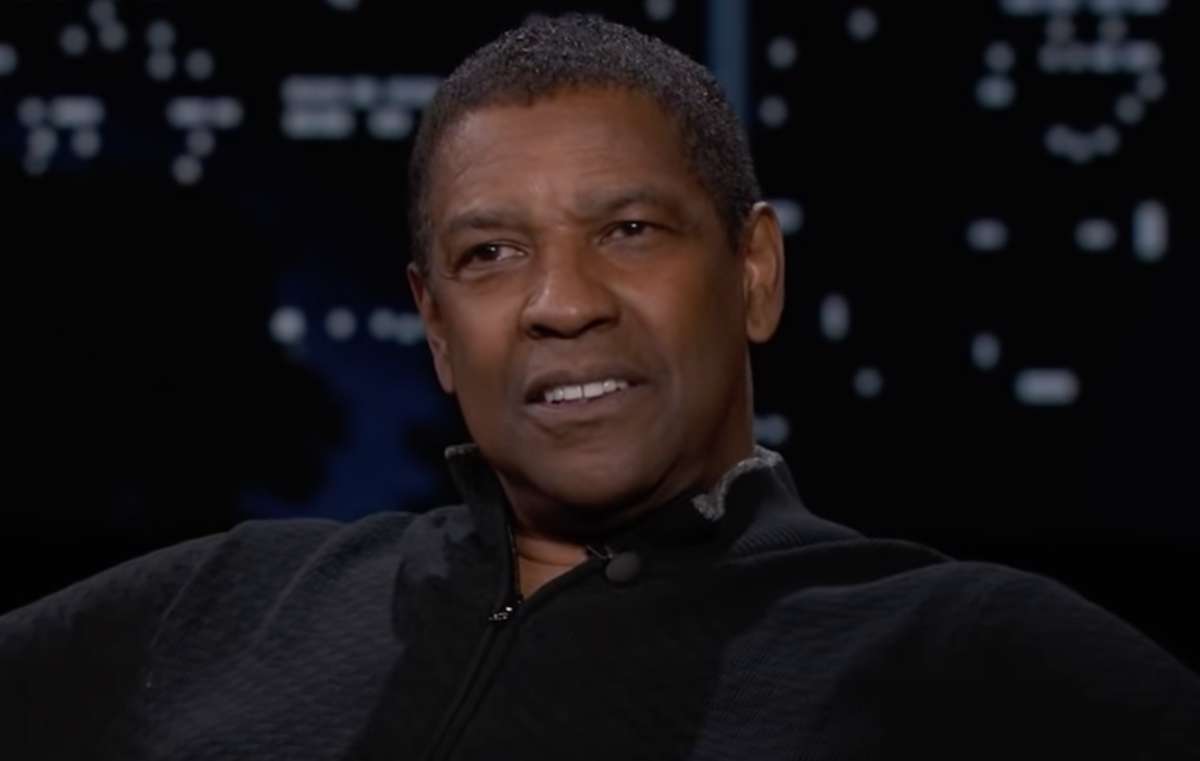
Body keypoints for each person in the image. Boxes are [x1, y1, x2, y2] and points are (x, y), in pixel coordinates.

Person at [2, 14, 1197, 761]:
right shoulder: (224, 602)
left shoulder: (971, 653)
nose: (560, 302)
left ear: (754, 272)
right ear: (436, 326)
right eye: (490, 252)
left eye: (628, 230)